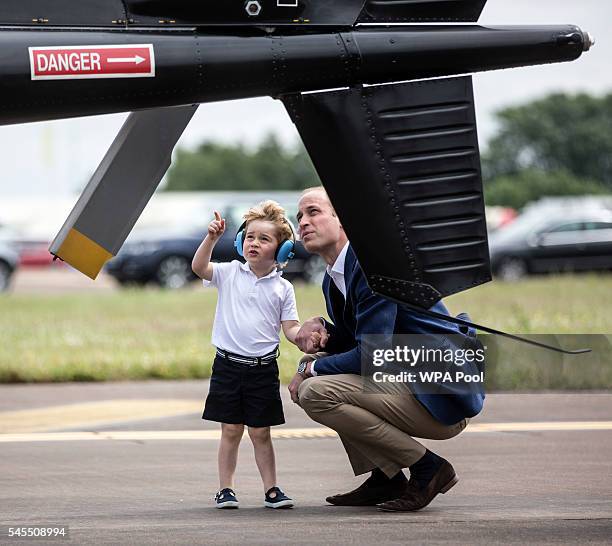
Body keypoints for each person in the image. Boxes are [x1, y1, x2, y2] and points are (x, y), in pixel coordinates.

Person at [288, 187, 485, 512]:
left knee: (315, 391)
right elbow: (361, 341)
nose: (303, 223)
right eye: (300, 217)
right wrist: (322, 334)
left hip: (440, 397)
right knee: (318, 366)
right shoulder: (334, 277)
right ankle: (387, 477)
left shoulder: (372, 269)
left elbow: (369, 356)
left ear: (344, 221)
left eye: (313, 212)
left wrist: (307, 370)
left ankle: (427, 467)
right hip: (406, 381)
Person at [192, 200, 301, 510]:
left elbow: (290, 328)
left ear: (281, 251)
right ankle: (225, 489)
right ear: (240, 241)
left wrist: (303, 338)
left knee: (261, 432)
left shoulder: (283, 288)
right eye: (250, 236)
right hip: (227, 366)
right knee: (230, 430)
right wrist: (211, 238)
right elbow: (200, 268)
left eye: (264, 239)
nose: (254, 243)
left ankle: (272, 489)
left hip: (263, 370)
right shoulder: (229, 273)